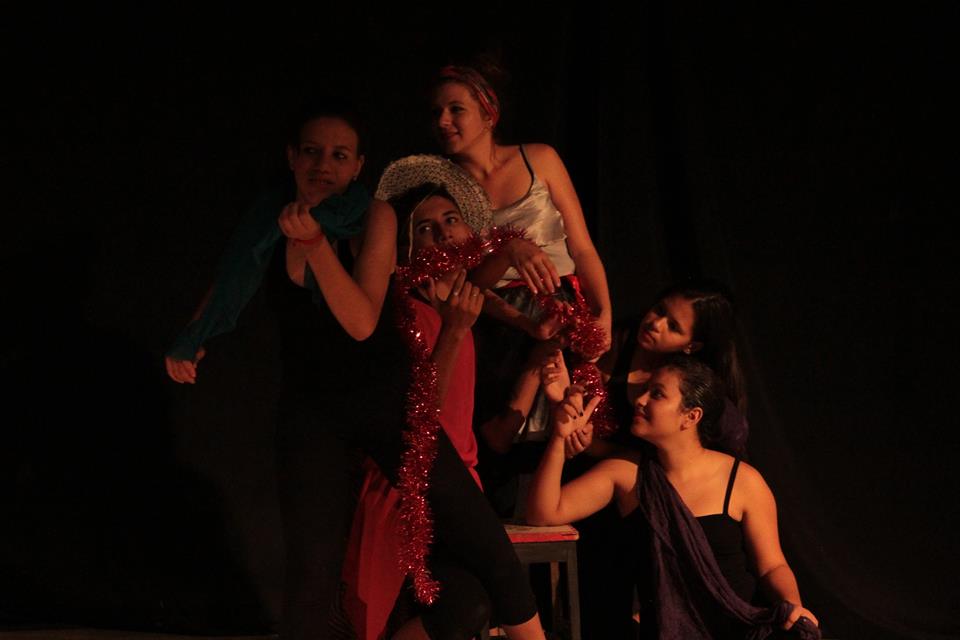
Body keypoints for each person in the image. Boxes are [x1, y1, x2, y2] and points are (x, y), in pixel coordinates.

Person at [165, 110, 545, 639]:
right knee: (311, 576)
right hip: (312, 410)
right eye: (312, 152)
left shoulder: (375, 216)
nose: (324, 164)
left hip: (386, 401)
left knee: (489, 549)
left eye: (339, 155)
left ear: (358, 165)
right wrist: (195, 335)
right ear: (292, 157)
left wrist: (315, 246)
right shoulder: (269, 218)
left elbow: (363, 322)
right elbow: (232, 274)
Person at [526, 357, 821, 639]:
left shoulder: (742, 480)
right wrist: (559, 437)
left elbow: (771, 566)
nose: (640, 400)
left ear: (691, 416)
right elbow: (543, 514)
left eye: (657, 394)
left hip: (737, 629)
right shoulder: (627, 474)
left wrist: (792, 606)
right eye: (645, 391)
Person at [430, 63, 613, 446]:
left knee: (570, 434)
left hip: (560, 308)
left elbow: (582, 248)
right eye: (437, 112)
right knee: (504, 441)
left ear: (488, 114)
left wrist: (603, 312)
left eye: (456, 109)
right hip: (499, 323)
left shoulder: (539, 158)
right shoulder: (444, 189)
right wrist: (505, 252)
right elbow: (463, 285)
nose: (443, 121)